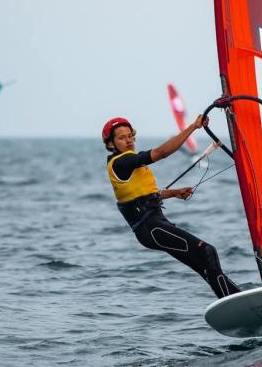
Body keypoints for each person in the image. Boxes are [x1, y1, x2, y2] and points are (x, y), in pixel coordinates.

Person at [102, 116, 241, 300]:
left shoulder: (129, 164)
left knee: (203, 265)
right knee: (207, 251)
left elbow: (144, 196)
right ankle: (233, 301)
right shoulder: (122, 162)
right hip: (151, 228)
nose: (128, 141)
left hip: (155, 225)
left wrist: (174, 193)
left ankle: (237, 299)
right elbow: (161, 153)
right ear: (111, 144)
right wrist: (193, 126)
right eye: (121, 138)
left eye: (130, 136)